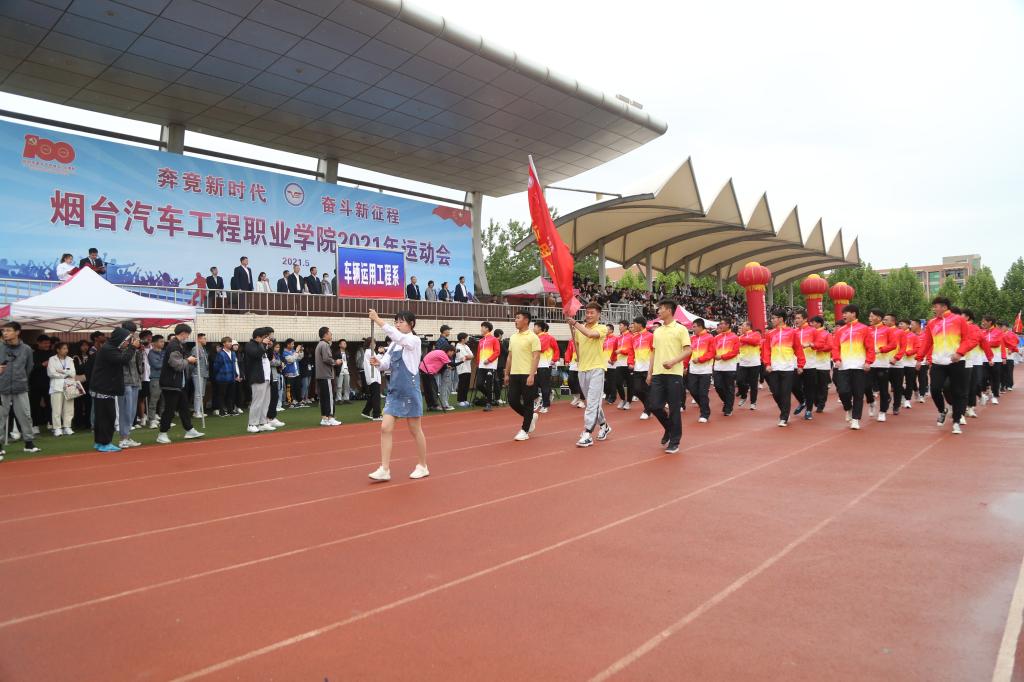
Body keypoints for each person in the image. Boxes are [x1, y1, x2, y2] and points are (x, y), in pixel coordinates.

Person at [367, 309, 429, 482]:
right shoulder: (394, 344)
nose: (397, 324)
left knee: (415, 429)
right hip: (394, 391)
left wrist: (378, 320)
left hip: (409, 391)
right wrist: (378, 362)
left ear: (411, 324)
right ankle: (384, 469)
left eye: (401, 321)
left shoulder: (413, 340)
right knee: (385, 428)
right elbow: (386, 364)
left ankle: (423, 465)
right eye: (396, 322)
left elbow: (399, 337)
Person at [645, 299, 691, 454]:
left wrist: (673, 362)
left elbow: (688, 350)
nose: (658, 311)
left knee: (674, 409)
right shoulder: (657, 331)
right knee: (654, 406)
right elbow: (654, 352)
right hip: (658, 374)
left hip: (674, 374)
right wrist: (650, 372)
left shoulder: (680, 329)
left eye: (661, 309)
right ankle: (669, 428)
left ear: (669, 310)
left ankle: (675, 441)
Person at [566, 301, 613, 447]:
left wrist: (574, 323)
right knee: (592, 402)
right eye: (587, 312)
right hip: (582, 369)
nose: (589, 315)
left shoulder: (602, 328)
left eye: (592, 313)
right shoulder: (579, 329)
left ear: (599, 314)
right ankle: (604, 425)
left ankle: (587, 433)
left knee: (592, 403)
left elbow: (590, 334)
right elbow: (577, 345)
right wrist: (579, 358)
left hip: (597, 369)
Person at [157, 324, 205, 443]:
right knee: (170, 409)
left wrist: (190, 360)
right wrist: (189, 360)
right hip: (171, 383)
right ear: (183, 333)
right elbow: (176, 365)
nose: (188, 337)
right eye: (188, 334)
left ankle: (189, 430)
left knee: (184, 408)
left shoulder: (178, 345)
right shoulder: (174, 346)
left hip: (178, 383)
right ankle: (162, 433)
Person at [832, 304, 875, 430]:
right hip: (843, 366)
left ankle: (855, 419)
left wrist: (868, 361)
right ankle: (848, 408)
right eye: (843, 313)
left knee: (858, 394)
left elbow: (870, 348)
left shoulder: (864, 329)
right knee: (843, 391)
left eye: (846, 313)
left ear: (854, 314)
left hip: (859, 366)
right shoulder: (840, 330)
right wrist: (837, 359)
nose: (843, 315)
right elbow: (835, 347)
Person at [1, 322, 40, 459]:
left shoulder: (26, 349)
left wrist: (21, 378)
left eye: (8, 330)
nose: (5, 333)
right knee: (0, 417)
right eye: (3, 330)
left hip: (20, 387)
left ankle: (29, 443)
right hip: (1, 387)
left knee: (25, 415)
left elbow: (29, 367)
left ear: (17, 332)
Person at [502, 310, 542, 440]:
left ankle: (525, 430)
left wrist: (532, 375)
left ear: (526, 320)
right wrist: (506, 373)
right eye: (515, 318)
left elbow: (536, 357)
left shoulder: (533, 337)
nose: (515, 320)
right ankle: (530, 417)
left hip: (527, 374)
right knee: (512, 401)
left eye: (518, 318)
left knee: (528, 402)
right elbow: (510, 357)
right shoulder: (513, 337)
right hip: (514, 374)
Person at [762, 311, 805, 427]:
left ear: (781, 319)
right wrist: (767, 364)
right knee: (776, 392)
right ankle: (784, 411)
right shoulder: (770, 334)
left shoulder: (792, 332)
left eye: (774, 318)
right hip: (774, 367)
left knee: (786, 393)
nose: (772, 320)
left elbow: (798, 349)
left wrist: (800, 365)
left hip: (788, 367)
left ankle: (784, 417)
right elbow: (766, 350)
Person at [242, 327, 275, 434]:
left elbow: (269, 357)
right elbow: (256, 354)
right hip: (257, 377)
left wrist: (270, 347)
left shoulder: (262, 345)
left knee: (266, 401)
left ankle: (262, 423)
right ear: (257, 337)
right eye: (264, 337)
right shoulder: (250, 345)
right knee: (257, 402)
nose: (266, 339)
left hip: (266, 377)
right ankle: (252, 424)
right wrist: (264, 345)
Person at [117, 330, 145, 449]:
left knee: (132, 411)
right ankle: (123, 438)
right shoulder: (119, 350)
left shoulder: (134, 350)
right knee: (125, 411)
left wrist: (139, 351)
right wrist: (132, 348)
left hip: (135, 381)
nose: (131, 340)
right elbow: (124, 360)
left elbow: (140, 367)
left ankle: (127, 436)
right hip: (125, 382)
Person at [686, 319, 715, 422]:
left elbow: (712, 352)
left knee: (703, 393)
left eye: (694, 326)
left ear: (700, 326)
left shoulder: (710, 337)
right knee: (692, 390)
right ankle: (703, 404)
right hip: (693, 369)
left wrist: (700, 359)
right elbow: (688, 353)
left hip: (705, 370)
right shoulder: (692, 338)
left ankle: (704, 414)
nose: (692, 328)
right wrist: (685, 365)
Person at [712, 318, 739, 417]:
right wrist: (714, 356)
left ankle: (728, 408)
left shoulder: (734, 337)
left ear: (728, 325)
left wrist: (722, 357)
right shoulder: (717, 337)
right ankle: (726, 402)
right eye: (720, 324)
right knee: (718, 386)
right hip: (718, 366)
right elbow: (713, 350)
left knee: (729, 388)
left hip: (730, 366)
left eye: (722, 324)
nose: (720, 325)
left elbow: (735, 352)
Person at [316, 326, 342, 426]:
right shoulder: (325, 345)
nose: (331, 334)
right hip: (326, 375)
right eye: (330, 333)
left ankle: (324, 418)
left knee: (324, 398)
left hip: (321, 375)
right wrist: (336, 362)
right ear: (325, 334)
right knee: (329, 397)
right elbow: (327, 359)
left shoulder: (320, 344)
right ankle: (330, 417)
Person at [533, 321, 559, 413]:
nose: (533, 328)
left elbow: (554, 349)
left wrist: (554, 359)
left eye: (535, 326)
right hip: (534, 365)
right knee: (533, 385)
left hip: (544, 364)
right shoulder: (534, 337)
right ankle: (539, 398)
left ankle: (545, 405)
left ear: (540, 328)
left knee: (544, 386)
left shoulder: (548, 337)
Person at [736, 321, 762, 410]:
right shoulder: (740, 337)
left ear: (748, 326)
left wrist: (742, 339)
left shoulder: (755, 334)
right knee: (739, 381)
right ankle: (744, 396)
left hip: (754, 363)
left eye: (742, 326)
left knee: (753, 384)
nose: (741, 327)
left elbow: (754, 342)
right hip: (743, 363)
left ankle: (753, 402)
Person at [631, 317, 654, 419]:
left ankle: (647, 410)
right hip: (637, 368)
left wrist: (652, 369)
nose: (633, 326)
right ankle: (649, 406)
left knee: (648, 390)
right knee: (637, 390)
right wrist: (630, 362)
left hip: (648, 368)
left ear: (640, 324)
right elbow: (631, 352)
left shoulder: (651, 336)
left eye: (634, 323)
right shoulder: (634, 338)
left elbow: (654, 352)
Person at [476, 322, 500, 411]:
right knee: (479, 384)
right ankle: (490, 397)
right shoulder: (481, 340)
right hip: (481, 366)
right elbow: (478, 353)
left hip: (491, 366)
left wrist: (489, 360)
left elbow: (497, 352)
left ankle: (489, 403)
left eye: (482, 327)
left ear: (487, 328)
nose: (481, 329)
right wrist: (478, 363)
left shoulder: (494, 339)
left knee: (489, 385)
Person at [211, 337, 238, 416]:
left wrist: (236, 375)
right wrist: (218, 375)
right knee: (221, 395)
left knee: (230, 395)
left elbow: (234, 365)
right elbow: (216, 366)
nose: (230, 344)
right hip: (222, 377)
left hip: (231, 377)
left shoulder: (233, 353)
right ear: (224, 343)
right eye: (228, 342)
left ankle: (230, 410)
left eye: (230, 342)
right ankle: (221, 411)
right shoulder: (220, 353)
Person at [613, 319, 634, 410]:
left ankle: (628, 401)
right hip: (619, 363)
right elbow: (614, 350)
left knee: (630, 384)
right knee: (617, 382)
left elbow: (631, 350)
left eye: (621, 325)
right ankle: (622, 399)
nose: (619, 327)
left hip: (628, 363)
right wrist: (612, 359)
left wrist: (621, 351)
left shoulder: (631, 337)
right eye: (619, 325)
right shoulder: (618, 338)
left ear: (626, 326)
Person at [146, 334, 166, 428]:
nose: (163, 343)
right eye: (161, 341)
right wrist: (164, 361)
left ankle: (163, 419)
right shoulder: (151, 353)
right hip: (155, 378)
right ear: (154, 343)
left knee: (164, 400)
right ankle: (152, 420)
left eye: (163, 341)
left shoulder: (164, 352)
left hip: (164, 378)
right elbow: (157, 365)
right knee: (154, 400)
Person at [361, 340, 383, 421]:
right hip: (373, 377)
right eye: (373, 343)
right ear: (369, 344)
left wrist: (380, 354)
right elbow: (377, 360)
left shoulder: (369, 352)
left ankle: (366, 411)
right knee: (376, 396)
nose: (375, 345)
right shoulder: (370, 352)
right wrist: (381, 353)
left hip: (373, 377)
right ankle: (376, 414)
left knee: (373, 396)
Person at [911, 319, 929, 402]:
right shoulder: (910, 335)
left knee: (922, 378)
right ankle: (915, 390)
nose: (910, 326)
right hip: (911, 360)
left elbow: (929, 347)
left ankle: (922, 395)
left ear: (918, 325)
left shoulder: (926, 335)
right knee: (911, 378)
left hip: (923, 360)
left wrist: (929, 358)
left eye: (912, 324)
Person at [192, 333, 208, 418]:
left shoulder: (203, 349)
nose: (206, 340)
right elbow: (194, 361)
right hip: (197, 373)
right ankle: (196, 411)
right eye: (204, 338)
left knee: (202, 393)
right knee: (198, 393)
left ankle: (200, 410)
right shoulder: (195, 348)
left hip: (204, 372)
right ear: (199, 339)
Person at [454, 333, 473, 407]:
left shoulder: (466, 346)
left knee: (466, 385)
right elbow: (464, 357)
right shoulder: (458, 347)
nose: (467, 339)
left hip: (468, 368)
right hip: (462, 368)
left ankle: (465, 399)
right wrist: (468, 356)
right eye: (466, 338)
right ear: (462, 339)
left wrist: (469, 356)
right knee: (462, 384)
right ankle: (460, 400)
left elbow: (472, 355)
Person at [335, 339, 351, 404]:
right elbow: (335, 362)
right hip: (340, 370)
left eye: (345, 343)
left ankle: (346, 398)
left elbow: (348, 362)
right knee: (339, 386)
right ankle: (338, 399)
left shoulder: (347, 352)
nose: (345, 344)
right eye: (343, 343)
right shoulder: (336, 353)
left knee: (347, 385)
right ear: (339, 345)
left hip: (346, 370)